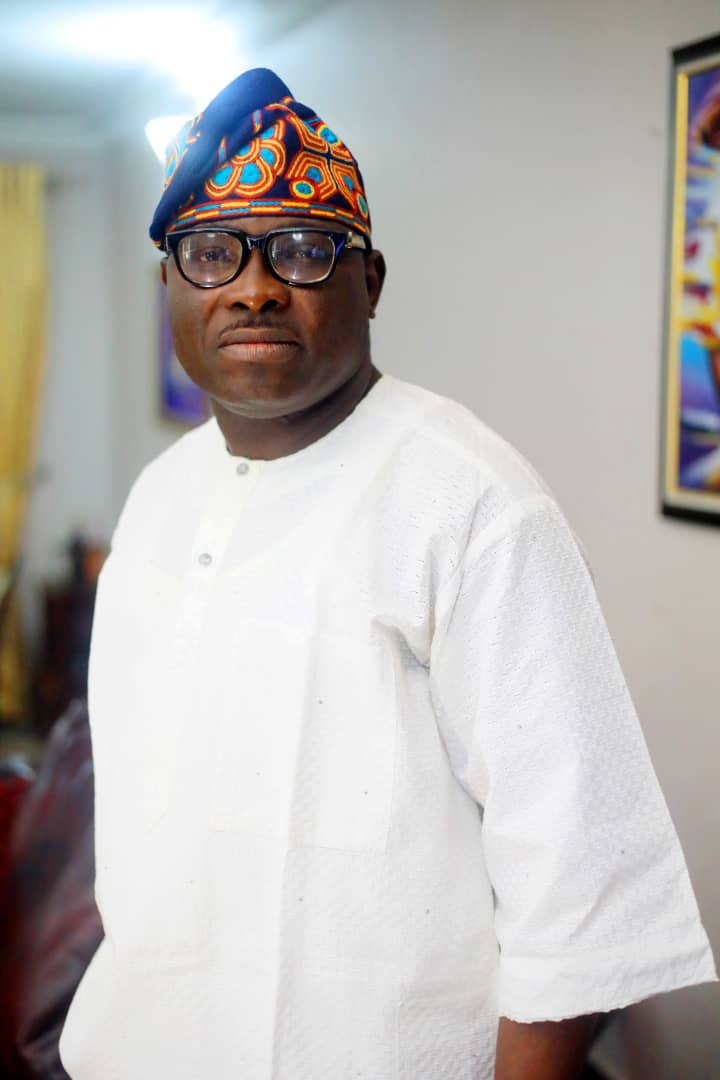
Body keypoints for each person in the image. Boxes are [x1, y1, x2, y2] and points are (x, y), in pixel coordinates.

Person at [60, 68, 716, 1080]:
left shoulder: (473, 507)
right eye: (212, 251)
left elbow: (579, 900)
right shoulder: (158, 496)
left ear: (369, 283)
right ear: (171, 288)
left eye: (303, 249)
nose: (254, 286)